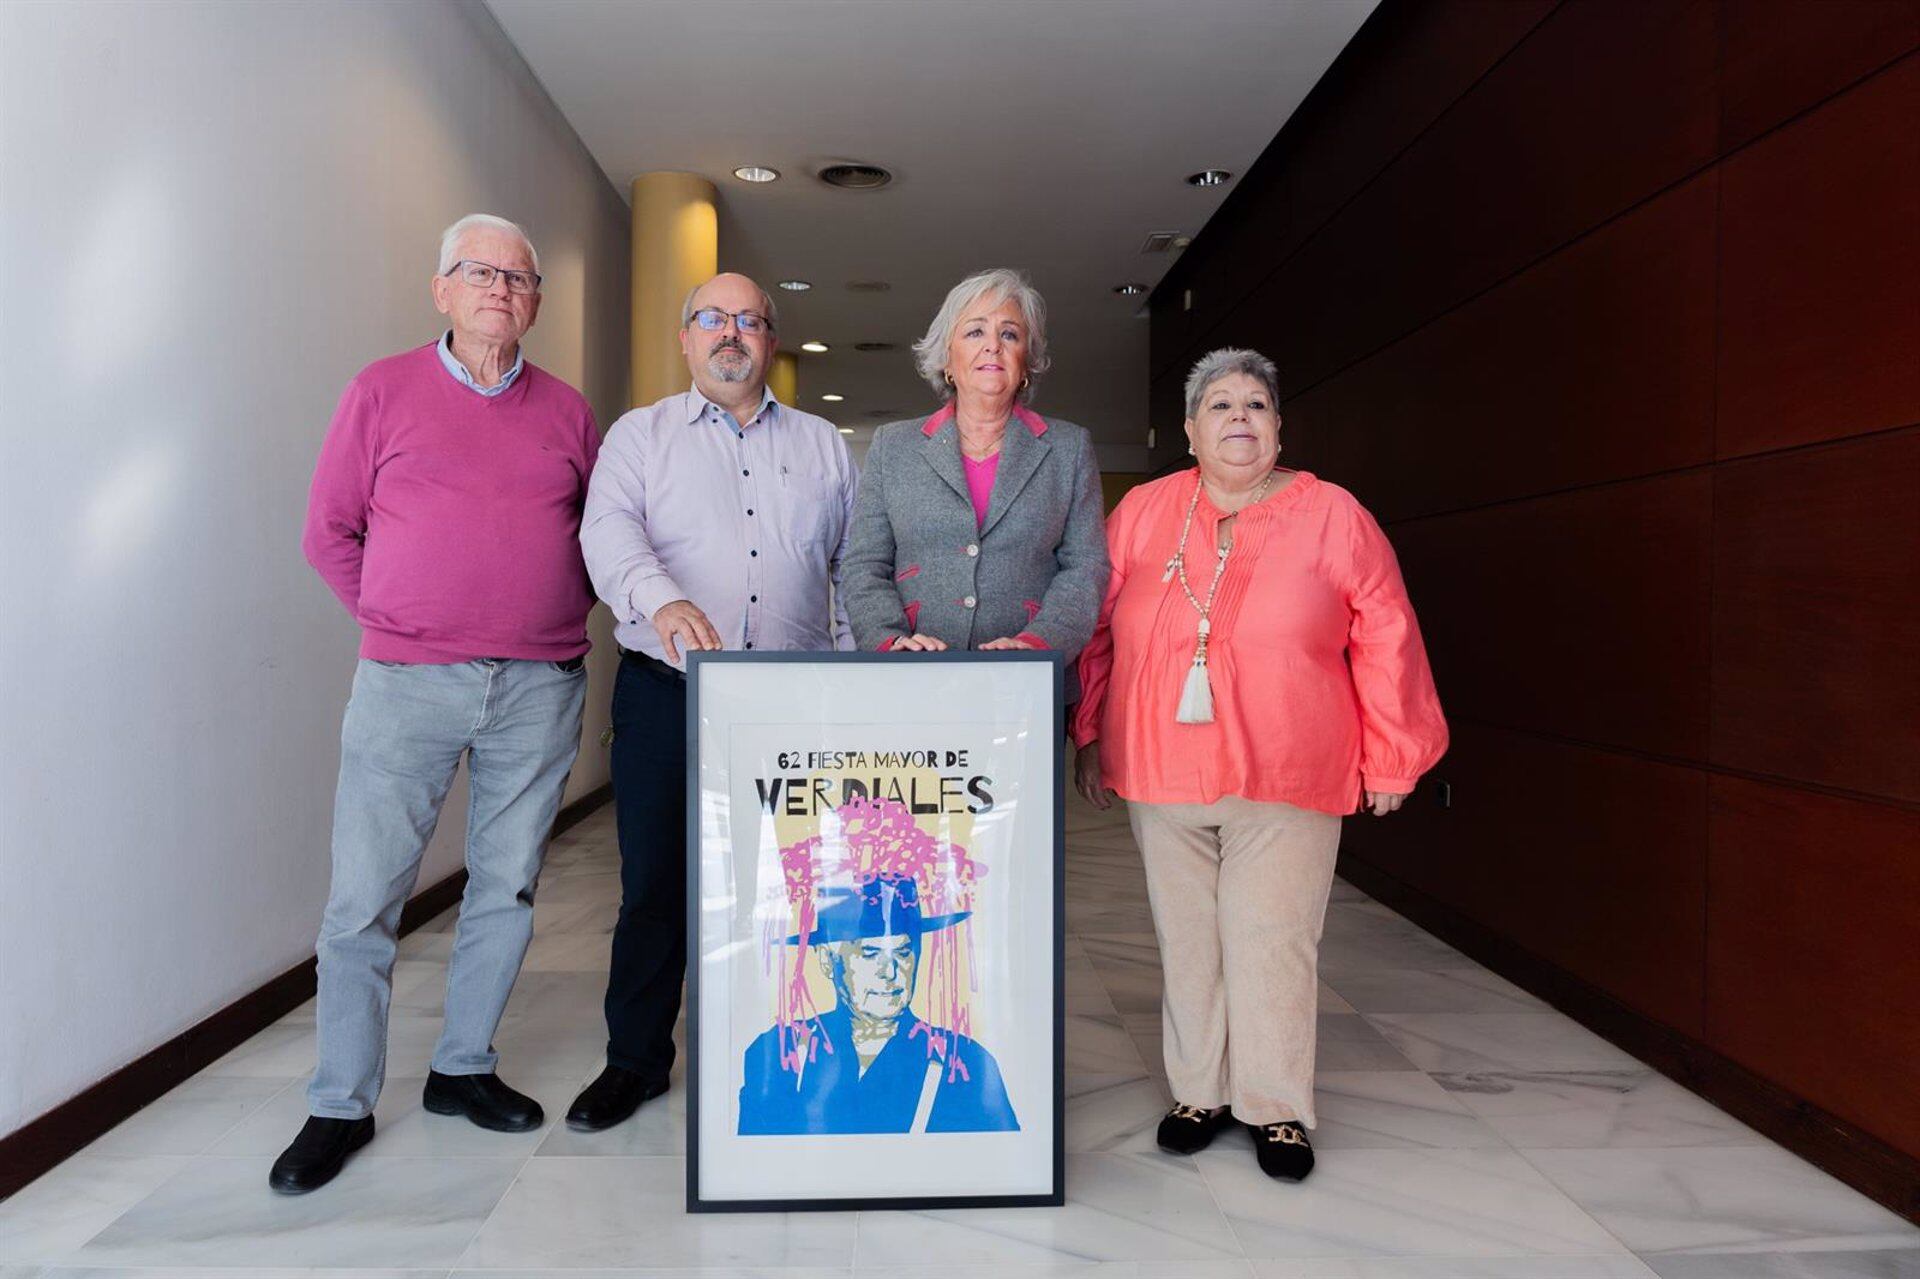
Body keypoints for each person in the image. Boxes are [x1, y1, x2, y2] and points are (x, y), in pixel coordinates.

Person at [1072, 347, 1447, 1182]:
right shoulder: (1141, 510)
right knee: (1187, 938)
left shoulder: (1335, 512)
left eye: (1255, 404)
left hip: (1289, 763)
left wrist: (1393, 752)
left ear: (1278, 429)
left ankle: (1275, 1106)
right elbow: (1097, 628)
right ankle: (1198, 1091)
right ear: (1190, 431)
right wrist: (1090, 731)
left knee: (1272, 940)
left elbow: (1386, 632)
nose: (1238, 415)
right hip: (1159, 762)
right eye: (1219, 405)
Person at [284, 213, 600, 1193]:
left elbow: (598, 537)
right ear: (443, 289)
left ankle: (462, 1068)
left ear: (536, 300)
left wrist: (545, 616)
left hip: (539, 685)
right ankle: (340, 1100)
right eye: (479, 272)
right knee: (363, 897)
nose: (499, 288)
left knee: (504, 885)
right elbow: (329, 532)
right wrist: (399, 617)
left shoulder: (567, 411)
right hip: (406, 683)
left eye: (517, 276)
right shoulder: (381, 391)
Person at [570, 272, 858, 1131]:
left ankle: (787, 1054)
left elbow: (849, 572)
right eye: (712, 318)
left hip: (791, 703)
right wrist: (661, 598)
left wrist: (855, 688)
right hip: (668, 695)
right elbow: (606, 529)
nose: (730, 332)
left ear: (772, 340)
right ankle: (635, 1062)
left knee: (789, 889)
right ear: (685, 336)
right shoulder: (641, 436)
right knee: (656, 883)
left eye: (749, 320)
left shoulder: (823, 445)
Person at [842, 268, 1108, 698]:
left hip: (1028, 687)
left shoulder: (1069, 448)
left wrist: (1038, 646)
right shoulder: (895, 446)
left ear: (1027, 359)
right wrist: (889, 641)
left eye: (1009, 334)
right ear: (947, 357)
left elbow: (1086, 568)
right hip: (912, 681)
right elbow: (863, 565)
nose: (992, 345)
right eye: (975, 332)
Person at [737, 876, 1018, 1134]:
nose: (891, 972)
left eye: (903, 952)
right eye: (871, 954)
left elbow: (997, 1165)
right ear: (827, 959)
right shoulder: (777, 1055)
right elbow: (754, 1168)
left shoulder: (965, 1064)